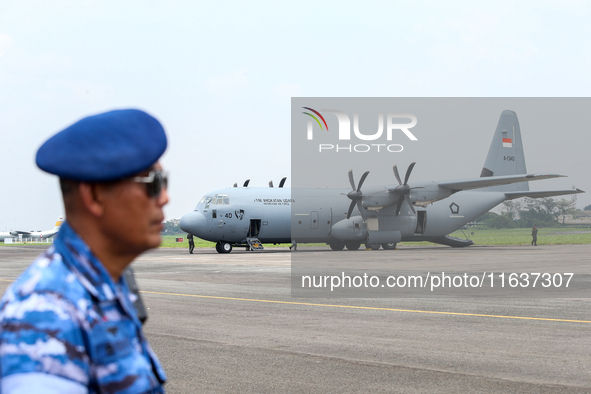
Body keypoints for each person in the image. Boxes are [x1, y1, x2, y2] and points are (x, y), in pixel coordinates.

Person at [0, 109, 168, 393]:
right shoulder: (45, 313)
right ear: (94, 195)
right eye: (152, 184)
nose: (165, 198)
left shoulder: (108, 287)